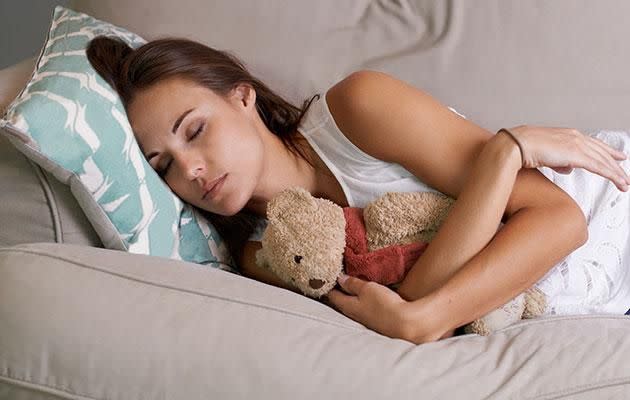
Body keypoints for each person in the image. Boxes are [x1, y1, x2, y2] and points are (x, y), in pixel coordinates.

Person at [86, 36, 630, 345]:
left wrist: (506, 152)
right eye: (164, 166)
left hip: (609, 201)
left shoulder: (356, 111)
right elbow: (405, 304)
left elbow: (561, 218)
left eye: (195, 130)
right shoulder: (263, 254)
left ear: (242, 96)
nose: (192, 171)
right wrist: (425, 313)